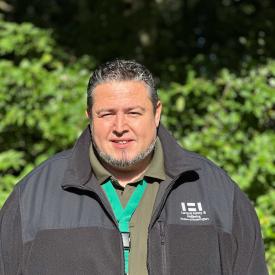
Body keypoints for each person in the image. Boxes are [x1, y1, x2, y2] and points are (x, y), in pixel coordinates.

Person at [0, 59, 268, 275]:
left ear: (157, 113)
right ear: (89, 117)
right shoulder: (32, 197)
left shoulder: (214, 191)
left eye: (133, 113)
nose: (119, 127)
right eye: (106, 114)